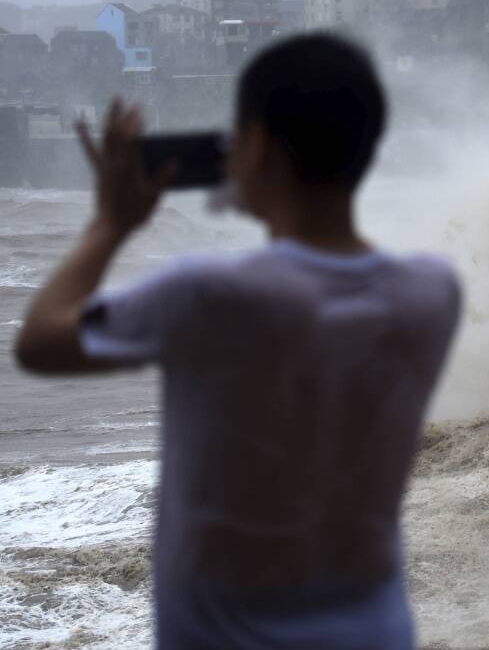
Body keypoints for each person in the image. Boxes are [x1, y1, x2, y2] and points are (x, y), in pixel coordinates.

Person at [14, 34, 461, 649]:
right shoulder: (431, 295)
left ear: (255, 146)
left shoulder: (208, 296)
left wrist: (110, 224)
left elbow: (40, 340)